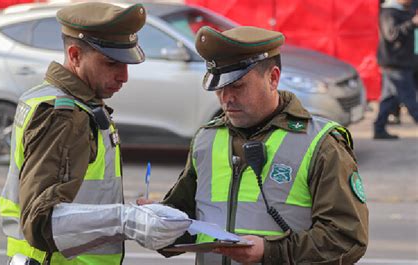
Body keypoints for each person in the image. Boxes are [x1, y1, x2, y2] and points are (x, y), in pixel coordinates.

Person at [139, 26, 369, 264]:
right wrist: (157, 222)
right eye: (219, 87)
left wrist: (270, 251)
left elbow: (346, 239)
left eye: (237, 86)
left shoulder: (321, 144)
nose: (226, 98)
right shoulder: (206, 139)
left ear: (273, 78)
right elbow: (185, 221)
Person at [0, 2, 191, 264]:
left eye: (127, 64)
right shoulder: (64, 115)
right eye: (111, 63)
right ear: (75, 55)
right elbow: (40, 222)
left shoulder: (62, 100)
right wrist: (126, 220)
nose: (124, 76)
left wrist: (133, 216)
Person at [374, 0, 418, 139]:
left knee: (389, 98)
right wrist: (412, 23)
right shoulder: (389, 12)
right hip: (396, 64)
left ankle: (379, 129)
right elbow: (391, 34)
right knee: (409, 97)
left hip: (399, 62)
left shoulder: (402, 10)